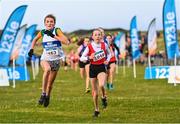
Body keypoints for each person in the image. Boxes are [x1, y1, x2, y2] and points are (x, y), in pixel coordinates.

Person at [28, 14, 70, 107]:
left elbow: (66, 41)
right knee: (47, 70)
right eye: (47, 21)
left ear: (54, 23)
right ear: (44, 23)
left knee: (50, 85)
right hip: (45, 59)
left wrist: (54, 36)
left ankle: (48, 96)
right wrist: (31, 49)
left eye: (51, 21)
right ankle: (43, 94)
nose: (49, 23)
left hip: (56, 60)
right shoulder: (43, 32)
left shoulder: (57, 30)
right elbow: (35, 39)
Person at [80, 29, 111, 117]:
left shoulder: (104, 45)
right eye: (95, 35)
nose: (97, 36)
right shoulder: (89, 46)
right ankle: (96, 109)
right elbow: (82, 58)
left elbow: (109, 54)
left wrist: (107, 61)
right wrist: (89, 57)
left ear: (101, 36)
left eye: (99, 35)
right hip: (92, 68)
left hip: (101, 67)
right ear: (92, 37)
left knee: (101, 85)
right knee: (95, 93)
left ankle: (104, 97)